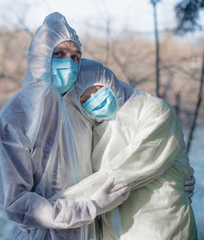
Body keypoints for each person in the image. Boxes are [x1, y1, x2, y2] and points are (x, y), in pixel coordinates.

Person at [0, 12, 131, 240]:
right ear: (40, 57)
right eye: (59, 53)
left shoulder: (84, 103)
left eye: (75, 56)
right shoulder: (14, 118)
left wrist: (170, 171)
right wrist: (89, 207)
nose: (69, 63)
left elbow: (136, 119)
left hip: (90, 232)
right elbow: (17, 203)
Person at [53, 58, 198, 239]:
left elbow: (126, 170)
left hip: (161, 228)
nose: (95, 99)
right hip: (115, 231)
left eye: (97, 89)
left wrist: (55, 208)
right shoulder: (92, 129)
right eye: (84, 97)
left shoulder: (153, 109)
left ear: (109, 81)